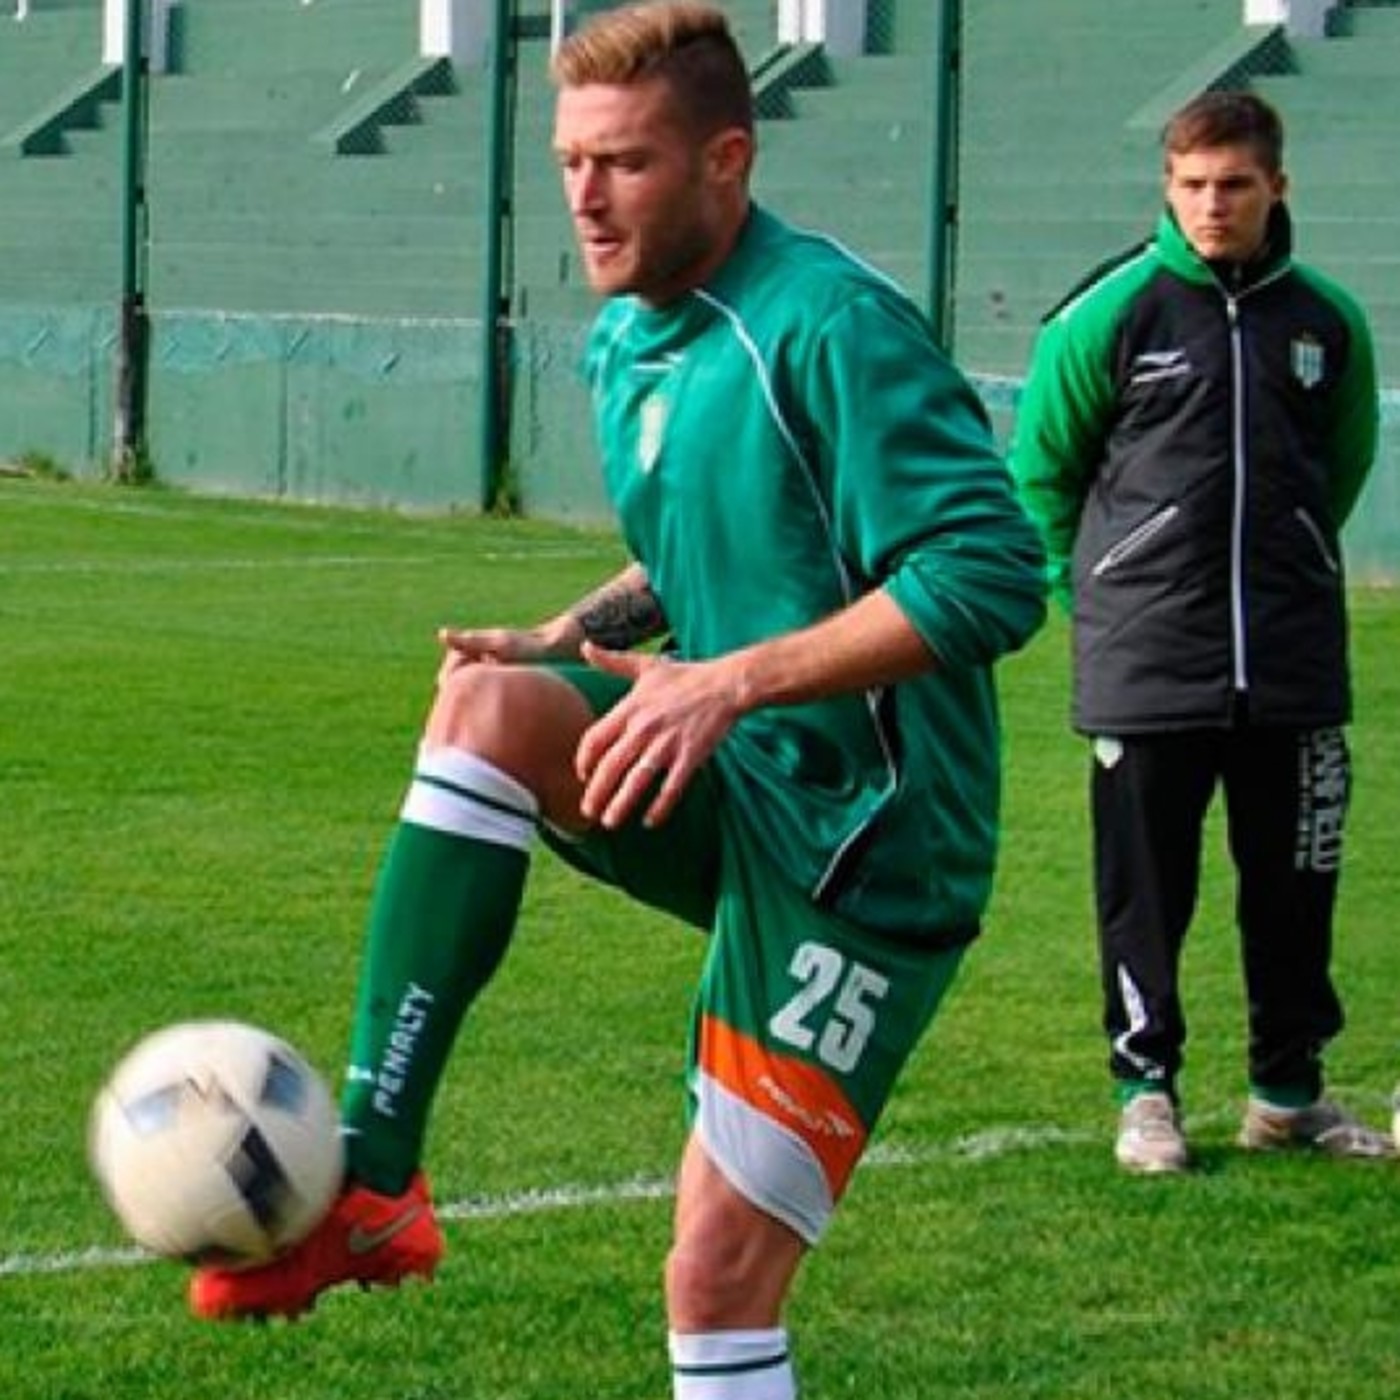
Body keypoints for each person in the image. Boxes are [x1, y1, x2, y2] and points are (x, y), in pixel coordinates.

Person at [191, 3, 1047, 1393]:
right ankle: (375, 1183)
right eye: (570, 161)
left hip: (868, 852)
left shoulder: (830, 323)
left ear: (728, 159)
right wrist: (560, 632)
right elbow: (709, 537)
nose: (586, 196)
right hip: (737, 777)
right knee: (491, 705)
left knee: (714, 1276)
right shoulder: (626, 340)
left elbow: (992, 574)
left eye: (627, 163)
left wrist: (734, 681)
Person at [1011, 89, 1391, 1175]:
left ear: (1276, 186)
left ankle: (1286, 1093)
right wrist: (1095, 596)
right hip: (1144, 660)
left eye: (1231, 185)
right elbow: (1041, 473)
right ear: (1164, 189)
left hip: (1290, 658)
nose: (1209, 207)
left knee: (1293, 891)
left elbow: (1339, 466)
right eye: (1188, 186)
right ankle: (1145, 1093)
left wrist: (1290, 566)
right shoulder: (1110, 313)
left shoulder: (1325, 322)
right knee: (1144, 895)